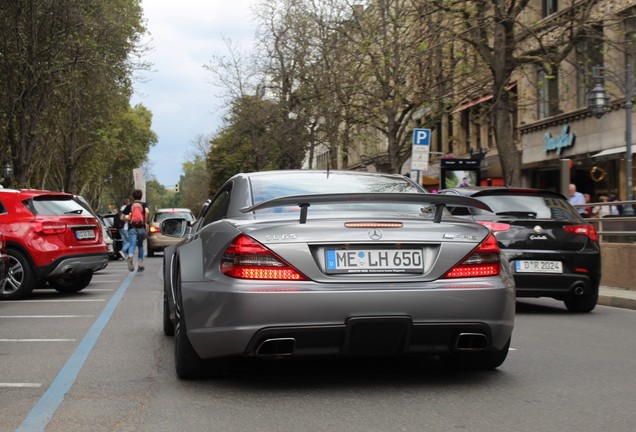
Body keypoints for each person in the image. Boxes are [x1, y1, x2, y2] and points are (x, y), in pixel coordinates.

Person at [121, 189, 149, 272]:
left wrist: (129, 220)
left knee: (132, 244)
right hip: (141, 228)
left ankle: (130, 256)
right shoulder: (144, 204)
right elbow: (147, 212)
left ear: (133, 197)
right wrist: (145, 222)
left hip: (132, 228)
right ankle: (140, 265)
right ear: (141, 196)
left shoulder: (130, 205)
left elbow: (121, 217)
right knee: (140, 245)